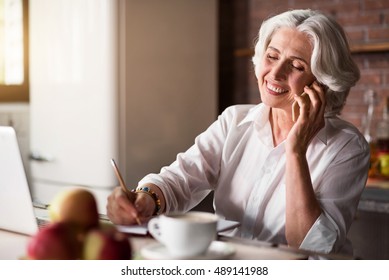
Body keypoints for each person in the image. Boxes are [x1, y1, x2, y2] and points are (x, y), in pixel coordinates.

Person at [107, 9, 370, 255]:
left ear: (323, 83)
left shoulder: (347, 147)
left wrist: (296, 151)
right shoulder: (235, 120)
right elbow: (179, 180)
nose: (275, 73)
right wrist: (145, 200)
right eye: (272, 56)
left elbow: (310, 246)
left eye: (297, 66)